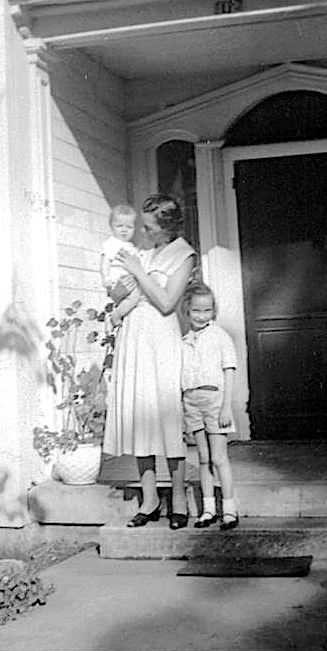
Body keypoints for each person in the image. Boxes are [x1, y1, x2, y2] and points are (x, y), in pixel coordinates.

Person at [103, 194, 196, 530]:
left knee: (166, 416)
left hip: (160, 338)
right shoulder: (143, 253)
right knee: (141, 415)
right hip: (135, 337)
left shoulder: (183, 254)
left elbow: (168, 301)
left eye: (150, 227)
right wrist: (120, 289)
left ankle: (180, 498)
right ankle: (150, 498)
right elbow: (126, 293)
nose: (144, 234)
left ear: (166, 226)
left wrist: (139, 273)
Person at [181, 282, 239, 531]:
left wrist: (226, 407)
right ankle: (208, 510)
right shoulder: (183, 340)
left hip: (215, 401)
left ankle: (229, 509)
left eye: (206, 311)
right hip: (191, 401)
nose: (201, 316)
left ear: (213, 312)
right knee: (203, 458)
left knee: (218, 457)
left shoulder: (220, 336)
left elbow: (229, 371)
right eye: (196, 310)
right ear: (187, 310)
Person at [100, 205, 141, 306]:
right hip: (116, 282)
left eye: (129, 227)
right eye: (119, 226)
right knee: (130, 300)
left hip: (130, 282)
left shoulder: (132, 247)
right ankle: (116, 316)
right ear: (111, 226)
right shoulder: (112, 243)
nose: (124, 230)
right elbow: (105, 262)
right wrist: (106, 278)